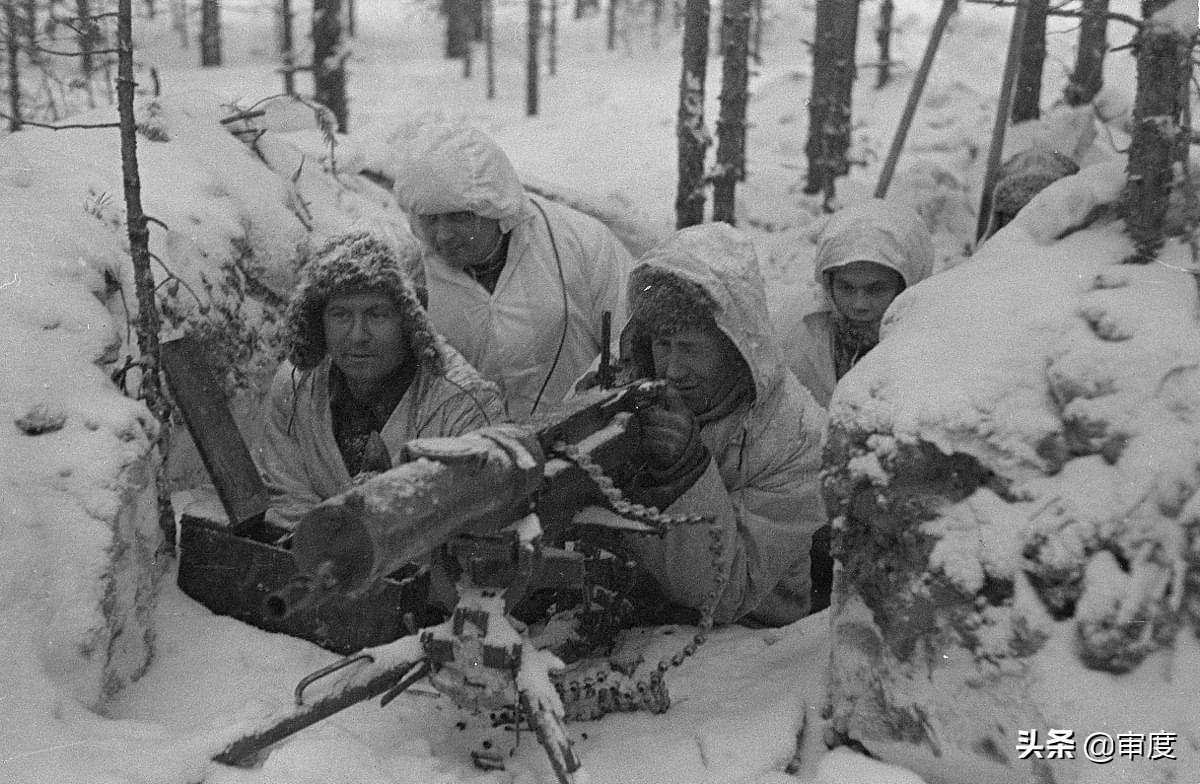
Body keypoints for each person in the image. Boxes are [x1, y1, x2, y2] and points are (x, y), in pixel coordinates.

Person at [599, 222, 827, 627]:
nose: (671, 369)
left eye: (690, 348)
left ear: (736, 348)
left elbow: (727, 593)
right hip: (630, 617)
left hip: (750, 639)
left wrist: (684, 474)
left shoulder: (796, 436)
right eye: (662, 345)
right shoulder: (619, 384)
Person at [256, 231, 507, 529]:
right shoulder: (296, 384)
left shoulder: (461, 405)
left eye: (377, 314)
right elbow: (287, 499)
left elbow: (475, 525)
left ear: (411, 319)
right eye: (340, 314)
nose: (357, 336)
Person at [391, 124, 634, 422]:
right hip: (474, 454)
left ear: (495, 210)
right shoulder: (411, 273)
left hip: (585, 434)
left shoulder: (581, 242)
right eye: (430, 220)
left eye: (458, 217)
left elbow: (631, 338)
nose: (442, 236)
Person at [774, 198, 934, 409]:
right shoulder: (794, 328)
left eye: (876, 289)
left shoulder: (933, 344)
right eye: (846, 287)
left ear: (906, 286)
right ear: (829, 284)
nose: (859, 305)